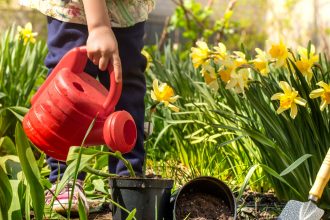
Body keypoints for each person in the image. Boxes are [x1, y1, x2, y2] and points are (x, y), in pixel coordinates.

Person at [20, 0, 155, 215]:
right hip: (78, 10)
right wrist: (99, 26)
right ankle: (65, 182)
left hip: (126, 8)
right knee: (69, 82)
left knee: (127, 84)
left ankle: (127, 183)